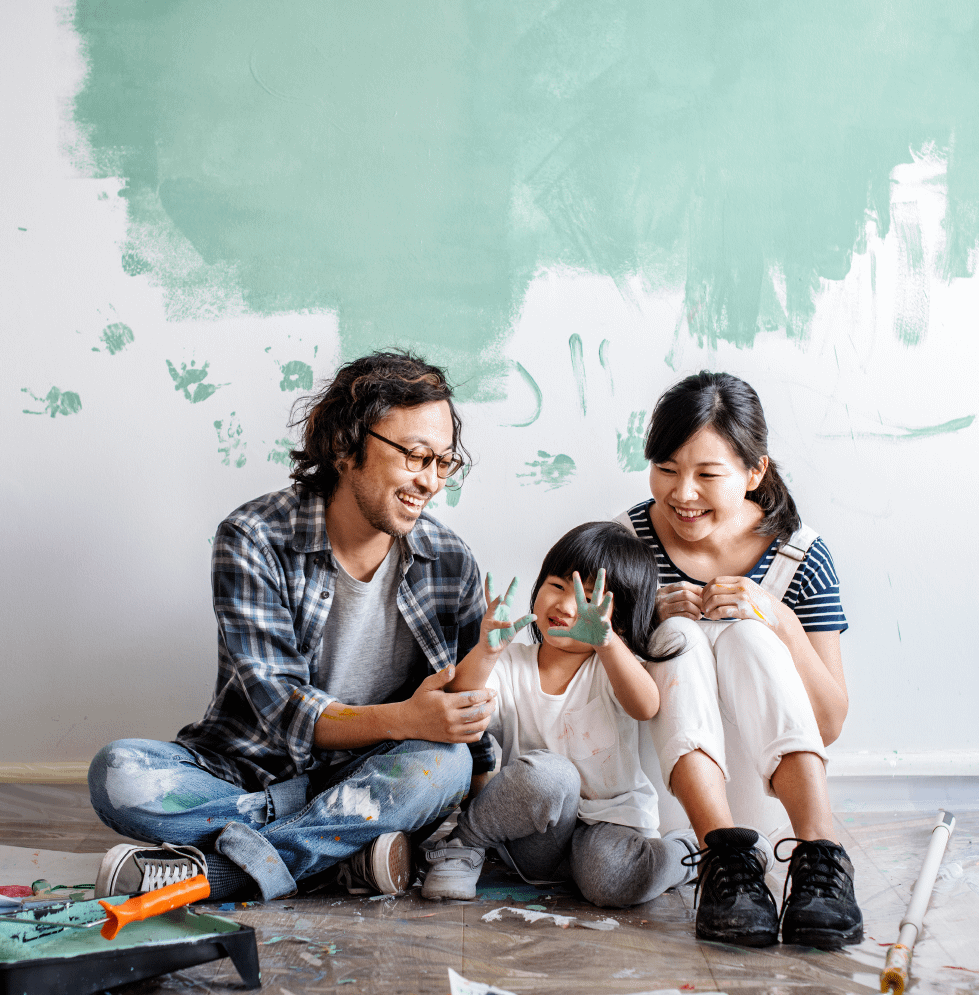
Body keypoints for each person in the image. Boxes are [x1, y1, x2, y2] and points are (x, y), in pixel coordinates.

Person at [87, 351, 497, 903]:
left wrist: (461, 755)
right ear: (346, 445)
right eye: (417, 456)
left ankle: (221, 873)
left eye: (444, 462)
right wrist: (402, 718)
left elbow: (459, 719)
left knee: (443, 765)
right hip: (249, 773)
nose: (430, 482)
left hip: (373, 773)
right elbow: (280, 705)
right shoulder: (253, 537)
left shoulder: (450, 562)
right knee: (118, 771)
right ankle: (338, 852)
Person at [615, 370, 863, 949]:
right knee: (678, 632)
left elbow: (828, 722)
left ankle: (819, 857)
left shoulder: (799, 553)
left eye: (707, 474)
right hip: (665, 804)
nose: (682, 493)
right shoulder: (628, 542)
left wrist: (778, 617)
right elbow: (594, 690)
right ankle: (724, 861)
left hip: (770, 798)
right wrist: (642, 621)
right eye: (667, 469)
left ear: (755, 472)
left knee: (752, 636)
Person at [417, 522, 699, 907]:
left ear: (617, 617)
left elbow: (646, 705)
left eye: (587, 600)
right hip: (538, 836)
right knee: (550, 776)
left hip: (611, 826)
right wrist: (485, 651)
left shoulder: (610, 666)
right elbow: (460, 703)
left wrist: (608, 643)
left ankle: (686, 854)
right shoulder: (514, 663)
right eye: (558, 586)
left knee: (613, 882)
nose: (566, 606)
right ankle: (464, 845)